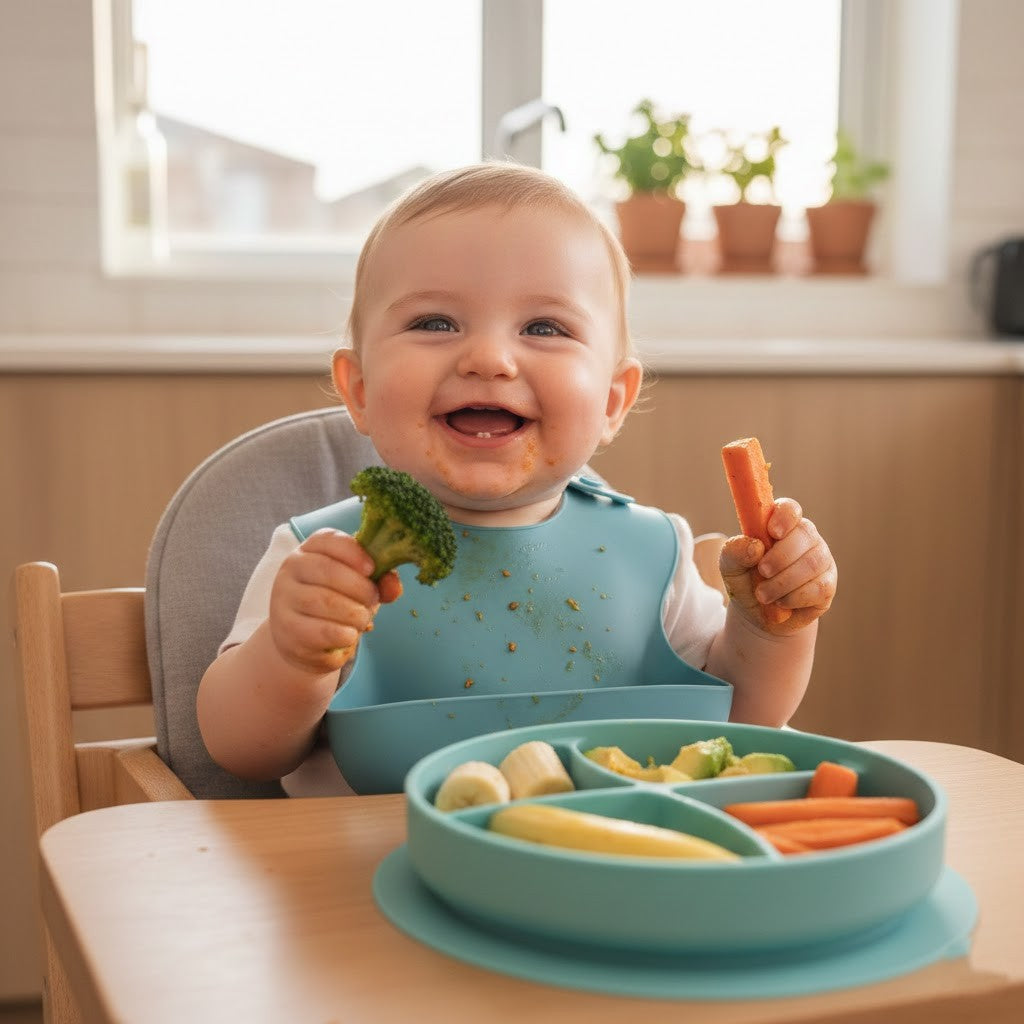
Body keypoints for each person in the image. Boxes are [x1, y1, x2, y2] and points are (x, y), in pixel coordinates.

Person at [197, 163, 837, 795]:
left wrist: (767, 629)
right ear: (359, 389)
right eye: (435, 323)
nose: (489, 359)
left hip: (618, 874)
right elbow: (241, 751)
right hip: (367, 884)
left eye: (544, 327)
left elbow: (743, 723)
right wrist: (290, 656)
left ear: (613, 401)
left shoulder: (654, 556)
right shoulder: (323, 563)